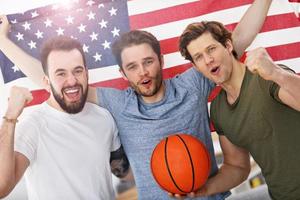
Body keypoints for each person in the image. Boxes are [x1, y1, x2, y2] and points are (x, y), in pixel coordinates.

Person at [0, 1, 272, 199]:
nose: (142, 72)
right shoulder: (120, 104)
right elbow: (58, 83)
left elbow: (237, 40)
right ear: (123, 73)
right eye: (132, 66)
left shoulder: (192, 85)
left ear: (161, 61)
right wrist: (3, 42)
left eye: (148, 62)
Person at [179, 20, 300, 200]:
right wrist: (202, 190)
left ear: (228, 45)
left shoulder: (265, 76)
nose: (208, 59)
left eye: (211, 49)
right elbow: (237, 167)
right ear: (196, 67)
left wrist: (276, 73)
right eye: (198, 57)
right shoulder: (219, 110)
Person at [0, 36, 130, 200]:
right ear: (47, 82)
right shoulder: (33, 126)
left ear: (86, 73)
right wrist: (10, 115)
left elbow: (121, 171)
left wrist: (166, 178)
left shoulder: (104, 117)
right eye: (61, 73)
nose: (72, 81)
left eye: (77, 71)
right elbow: (1, 188)